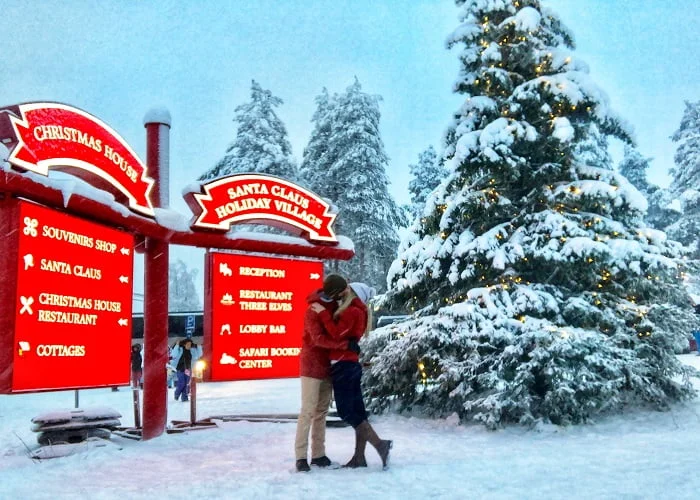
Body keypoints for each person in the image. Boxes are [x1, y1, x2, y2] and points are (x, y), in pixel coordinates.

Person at [311, 282, 392, 469]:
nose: (343, 292)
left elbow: (336, 334)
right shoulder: (358, 311)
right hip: (349, 364)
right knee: (358, 412)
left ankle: (380, 445)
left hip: (343, 365)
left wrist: (322, 314)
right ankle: (359, 457)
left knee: (346, 411)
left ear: (355, 294)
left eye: (348, 289)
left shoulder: (352, 311)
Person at [294, 274, 361, 473]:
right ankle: (300, 456)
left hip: (328, 367)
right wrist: (345, 345)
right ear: (334, 292)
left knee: (321, 412)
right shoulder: (312, 310)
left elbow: (338, 330)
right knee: (307, 411)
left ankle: (318, 454)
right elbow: (318, 339)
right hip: (311, 366)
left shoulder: (332, 307)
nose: (344, 293)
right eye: (342, 290)